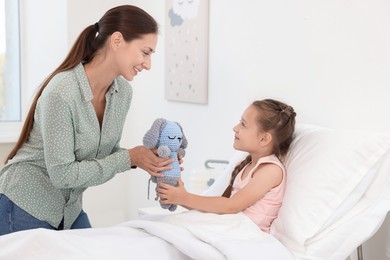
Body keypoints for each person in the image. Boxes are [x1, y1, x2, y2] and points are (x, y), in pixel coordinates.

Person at [0, 5, 174, 235]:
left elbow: (106, 154)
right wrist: (130, 157)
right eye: (145, 52)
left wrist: (144, 158)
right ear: (117, 40)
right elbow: (63, 175)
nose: (148, 64)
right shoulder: (62, 92)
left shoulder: (122, 92)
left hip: (69, 210)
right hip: (25, 205)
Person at [158, 99, 296, 233]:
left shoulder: (270, 170)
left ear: (264, 139)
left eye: (243, 124)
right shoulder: (247, 165)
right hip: (232, 226)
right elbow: (221, 208)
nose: (235, 128)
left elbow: (231, 207)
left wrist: (184, 197)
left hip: (245, 232)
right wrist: (177, 196)